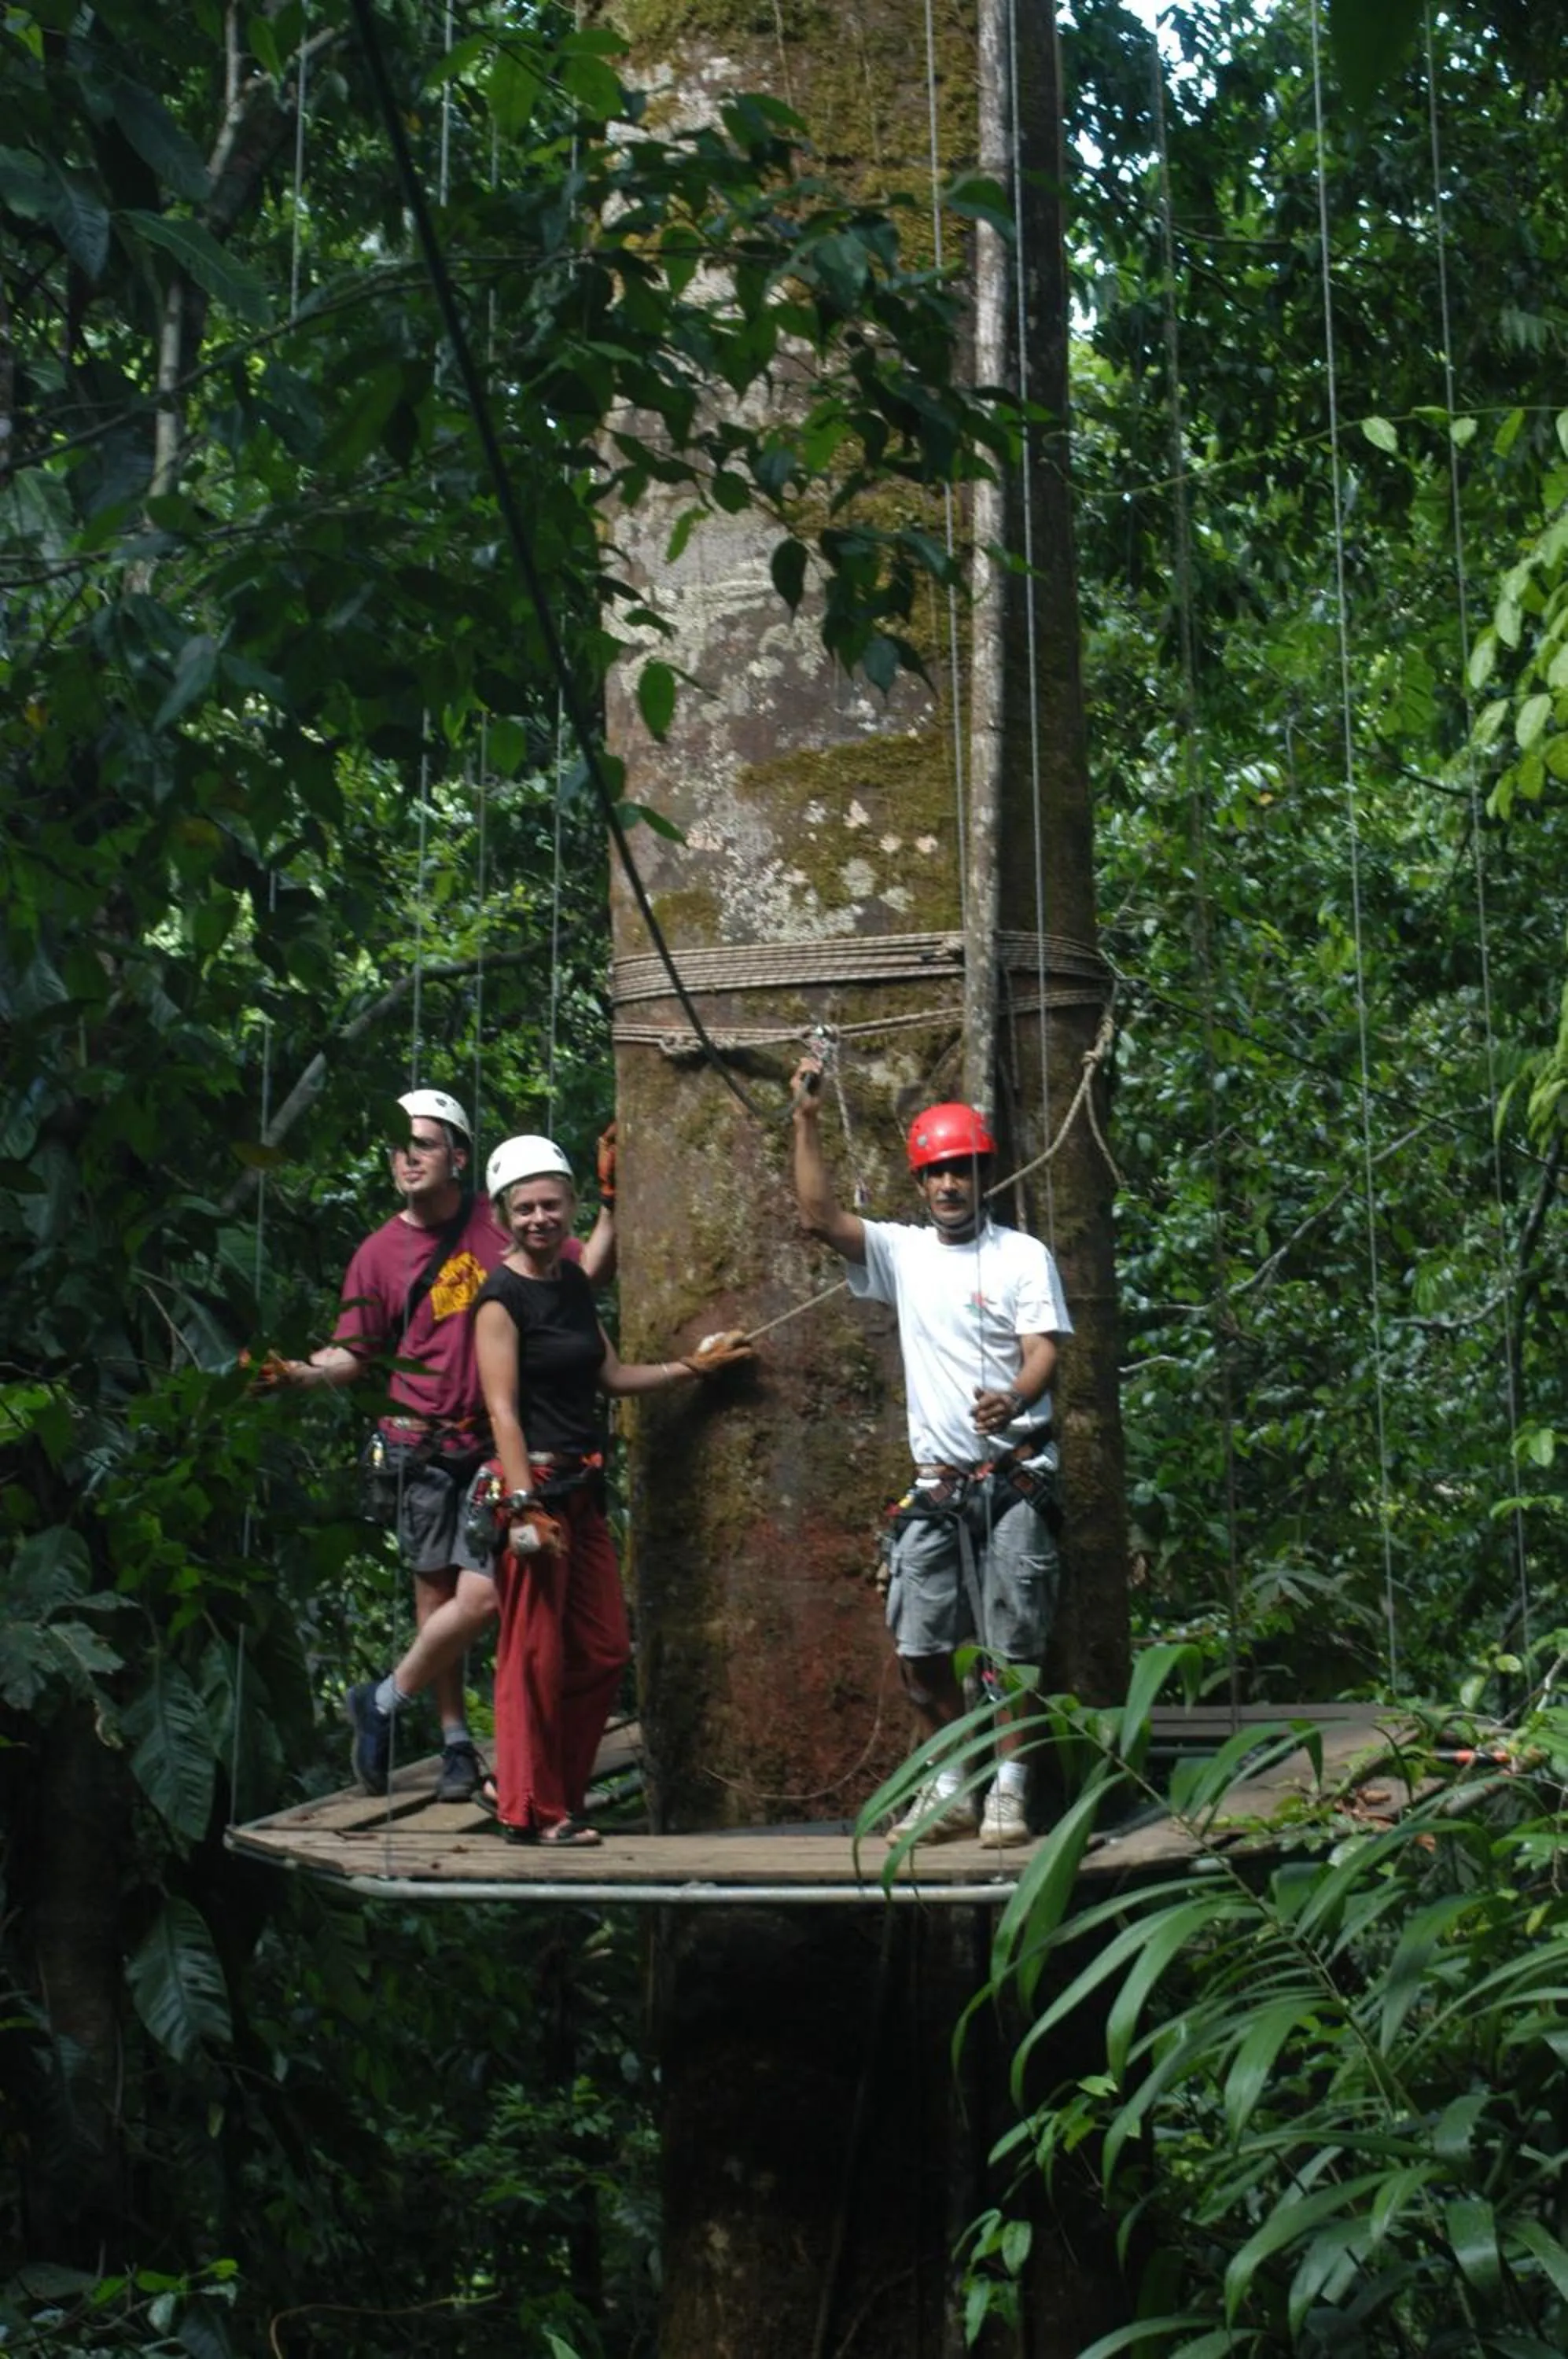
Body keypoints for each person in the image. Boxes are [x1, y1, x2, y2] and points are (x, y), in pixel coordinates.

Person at [265, 1089, 615, 1803]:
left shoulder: (501, 1224)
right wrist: (294, 1375)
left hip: (495, 1442)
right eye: (399, 1147)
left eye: (422, 1144)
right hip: (417, 1444)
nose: (407, 1158)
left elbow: (582, 1276)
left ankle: (387, 1701)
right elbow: (354, 1354)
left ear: (458, 1156)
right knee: (438, 1594)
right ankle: (455, 1741)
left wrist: (612, 1200)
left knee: (483, 1598)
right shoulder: (378, 1255)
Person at [791, 1060, 1070, 1846]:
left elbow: (1042, 1348)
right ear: (920, 1183)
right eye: (935, 1173)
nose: (948, 1185)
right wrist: (805, 1117)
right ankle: (952, 1782)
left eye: (960, 1170)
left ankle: (1009, 1789)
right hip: (936, 1487)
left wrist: (1014, 1397)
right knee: (919, 1652)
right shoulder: (903, 1254)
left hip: (1014, 1478)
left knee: (1011, 1649)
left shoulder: (1021, 1255)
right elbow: (818, 1216)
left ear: (981, 1174)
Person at [473, 1133, 752, 1846]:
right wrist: (521, 1503)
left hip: (582, 1489)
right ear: (504, 1214)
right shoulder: (500, 1299)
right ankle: (530, 1810)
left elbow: (613, 1376)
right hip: (532, 1492)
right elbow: (502, 1408)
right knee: (532, 1654)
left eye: (551, 1205)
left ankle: (552, 1790)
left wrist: (694, 1369)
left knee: (601, 1649)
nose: (540, 1218)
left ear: (568, 1206)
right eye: (525, 1208)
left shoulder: (567, 1284)